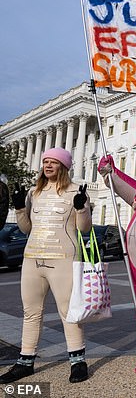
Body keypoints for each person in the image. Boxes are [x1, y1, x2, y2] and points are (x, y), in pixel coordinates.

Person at [0, 148, 92, 384]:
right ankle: (25, 362)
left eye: (53, 162)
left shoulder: (76, 191)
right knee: (30, 312)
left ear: (64, 166)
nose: (48, 166)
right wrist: (20, 208)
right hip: (32, 259)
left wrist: (81, 208)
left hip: (63, 258)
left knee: (68, 312)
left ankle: (78, 361)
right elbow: (25, 229)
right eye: (45, 162)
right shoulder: (34, 192)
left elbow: (84, 229)